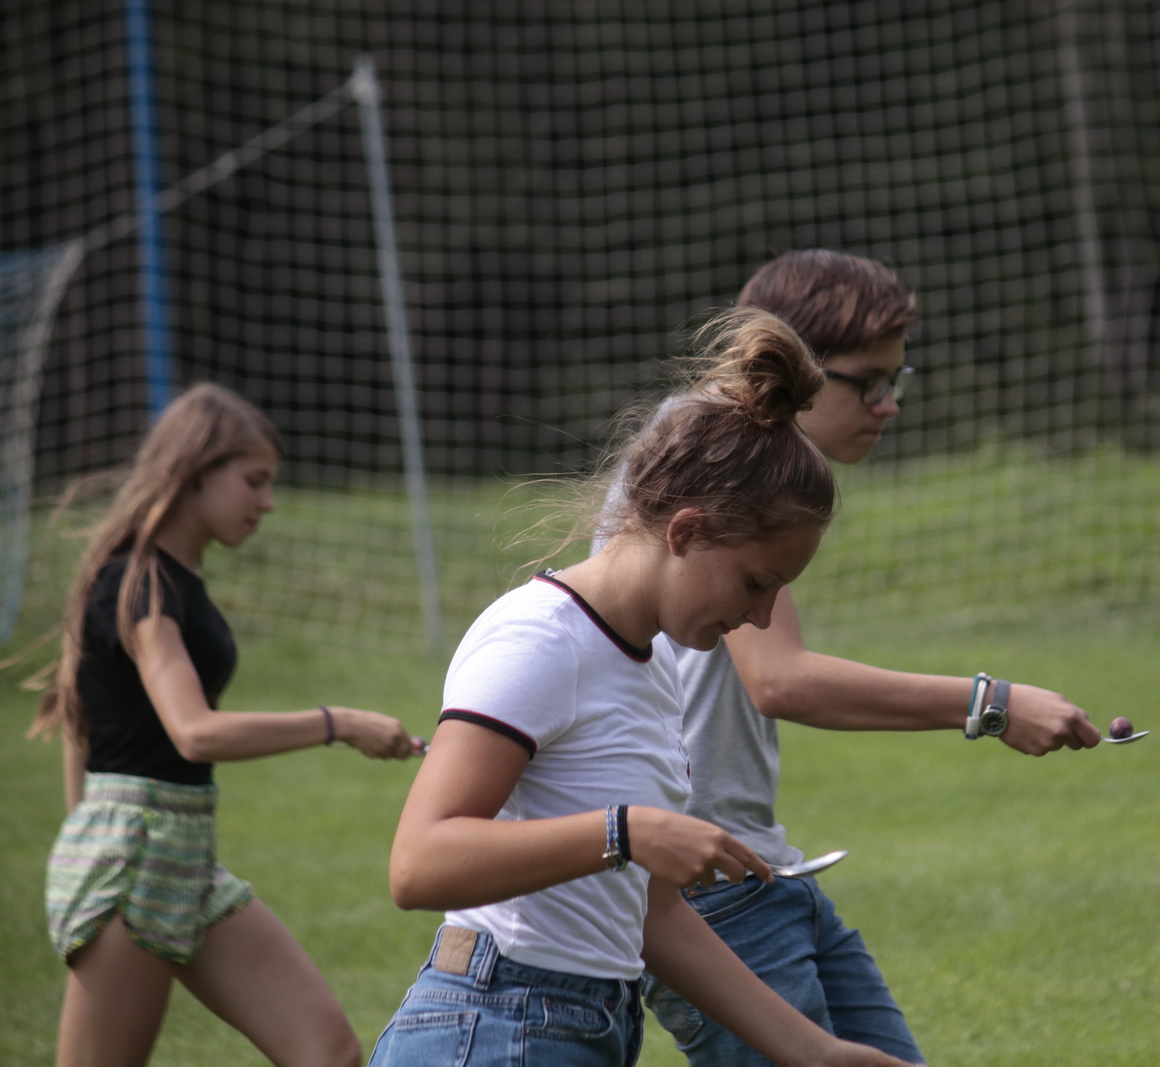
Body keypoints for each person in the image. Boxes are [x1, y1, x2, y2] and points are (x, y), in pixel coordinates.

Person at [369, 307, 914, 1067]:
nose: (762, 617)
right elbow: (418, 863)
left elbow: (655, 917)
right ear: (684, 532)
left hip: (583, 1024)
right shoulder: (539, 639)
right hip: (493, 1024)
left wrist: (815, 1052)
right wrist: (624, 831)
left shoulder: (651, 665)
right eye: (755, 583)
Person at [636, 250, 1104, 1067]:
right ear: (796, 367)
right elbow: (779, 678)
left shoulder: (739, 452)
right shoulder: (714, 456)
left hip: (760, 871)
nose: (889, 405)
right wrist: (990, 703)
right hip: (708, 893)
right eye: (870, 382)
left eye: (898, 379)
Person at [31, 382, 418, 1067]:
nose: (267, 502)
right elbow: (195, 732)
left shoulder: (173, 579)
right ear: (194, 473)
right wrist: (339, 723)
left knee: (327, 1050)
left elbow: (76, 718)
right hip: (131, 858)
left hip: (184, 852)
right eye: (254, 481)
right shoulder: (139, 583)